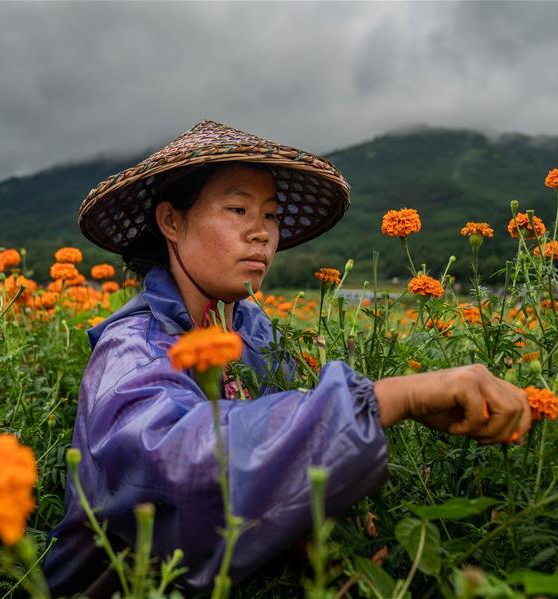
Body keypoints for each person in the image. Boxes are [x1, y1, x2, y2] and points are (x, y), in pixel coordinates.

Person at [44, 120, 532, 596]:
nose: (261, 233)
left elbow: (291, 440)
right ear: (172, 221)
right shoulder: (132, 348)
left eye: (271, 216)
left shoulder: (256, 335)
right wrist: (396, 396)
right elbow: (180, 462)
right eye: (237, 209)